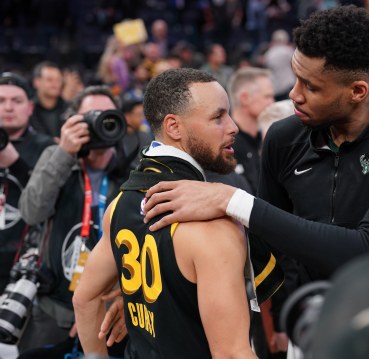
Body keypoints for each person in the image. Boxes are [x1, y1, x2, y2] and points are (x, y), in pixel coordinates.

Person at [142, 5, 369, 282]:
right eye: (295, 77)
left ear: (357, 91)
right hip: (309, 331)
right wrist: (149, 287)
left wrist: (234, 201)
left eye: (310, 86)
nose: (293, 94)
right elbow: (264, 247)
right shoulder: (283, 137)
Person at [72, 68, 262, 358]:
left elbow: (84, 299)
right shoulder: (213, 227)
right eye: (218, 117)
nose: (233, 126)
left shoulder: (120, 204)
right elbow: (232, 353)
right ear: (174, 127)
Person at [17, 85, 130, 357]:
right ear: (72, 121)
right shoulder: (55, 157)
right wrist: (64, 153)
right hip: (52, 308)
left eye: (108, 115)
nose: (101, 121)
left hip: (110, 310)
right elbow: (31, 212)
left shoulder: (134, 168)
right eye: (92, 115)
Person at [0, 72, 54, 293]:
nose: (9, 107)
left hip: (27, 266)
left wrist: (15, 163)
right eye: (1, 101)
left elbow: (51, 200)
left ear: (30, 108)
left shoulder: (48, 147)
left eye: (17, 101)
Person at [227, 67, 275, 193]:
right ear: (245, 98)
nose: (273, 103)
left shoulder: (265, 139)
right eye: (267, 96)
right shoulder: (227, 145)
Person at [29, 61, 68, 138]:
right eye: (50, 80)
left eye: (59, 80)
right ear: (36, 82)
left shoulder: (69, 108)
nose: (55, 84)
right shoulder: (28, 109)